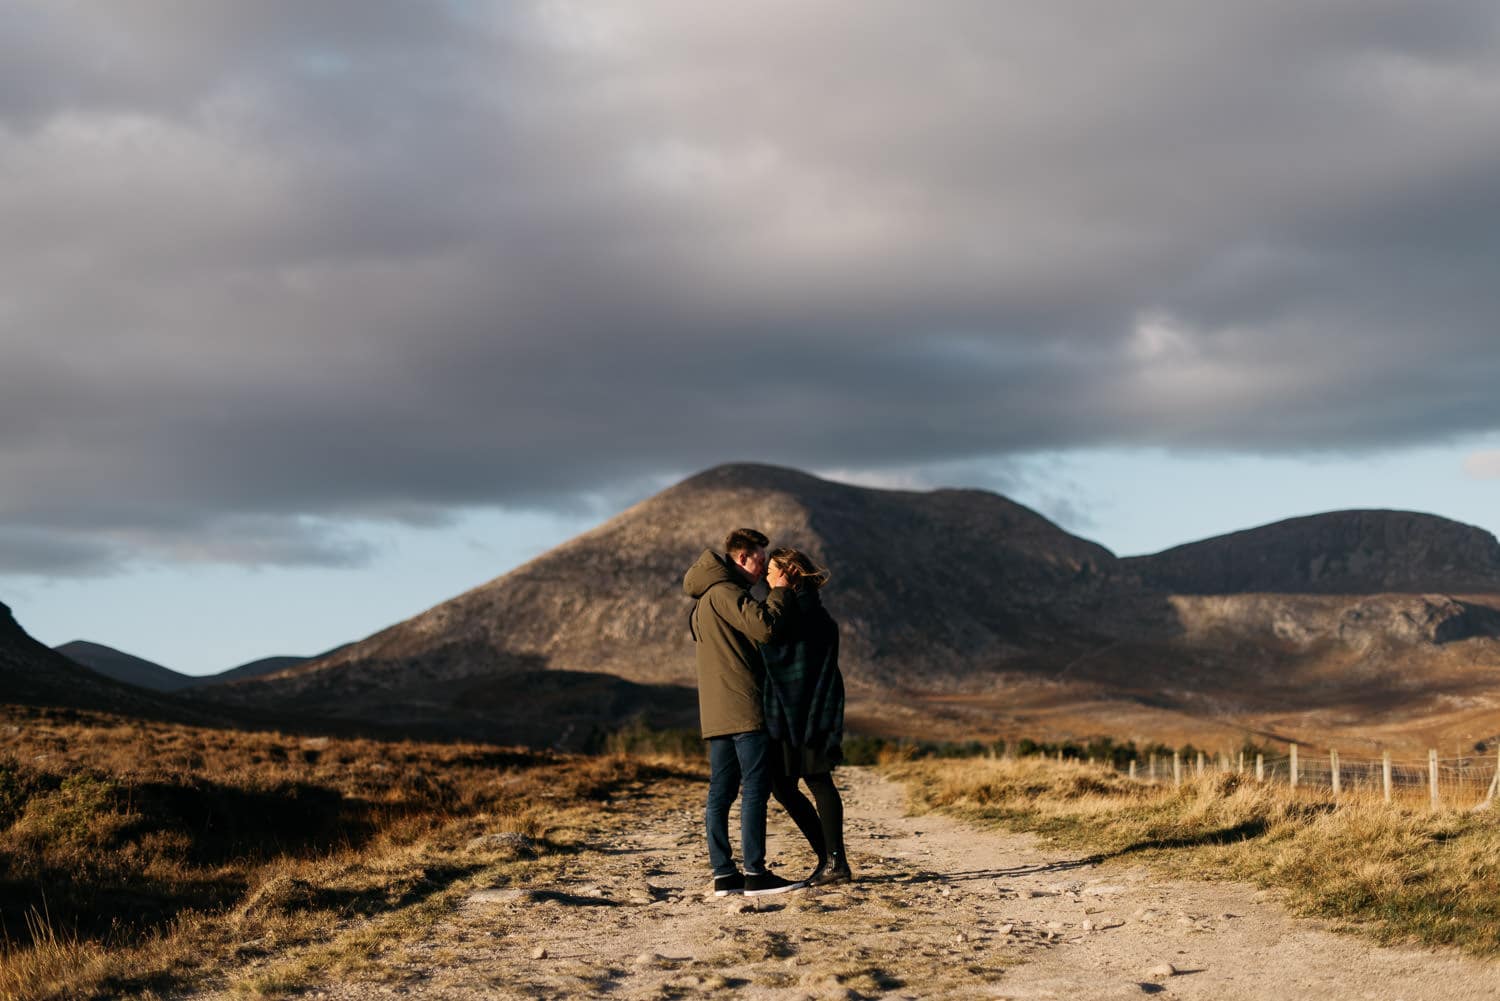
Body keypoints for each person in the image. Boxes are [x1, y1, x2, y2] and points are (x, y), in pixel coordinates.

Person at [682, 528, 804, 898]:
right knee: (754, 789)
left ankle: (724, 874)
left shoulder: (704, 600)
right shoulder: (726, 593)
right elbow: (765, 628)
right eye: (760, 560)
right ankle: (755, 873)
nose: (764, 567)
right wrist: (781, 590)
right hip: (743, 708)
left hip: (717, 713)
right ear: (742, 558)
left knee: (721, 791)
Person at [760, 547, 851, 886]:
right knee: (783, 786)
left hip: (809, 709)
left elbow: (776, 650)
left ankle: (835, 862)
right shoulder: (803, 608)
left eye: (772, 570)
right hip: (791, 712)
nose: (767, 577)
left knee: (816, 779)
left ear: (790, 571)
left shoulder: (805, 610)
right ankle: (829, 858)